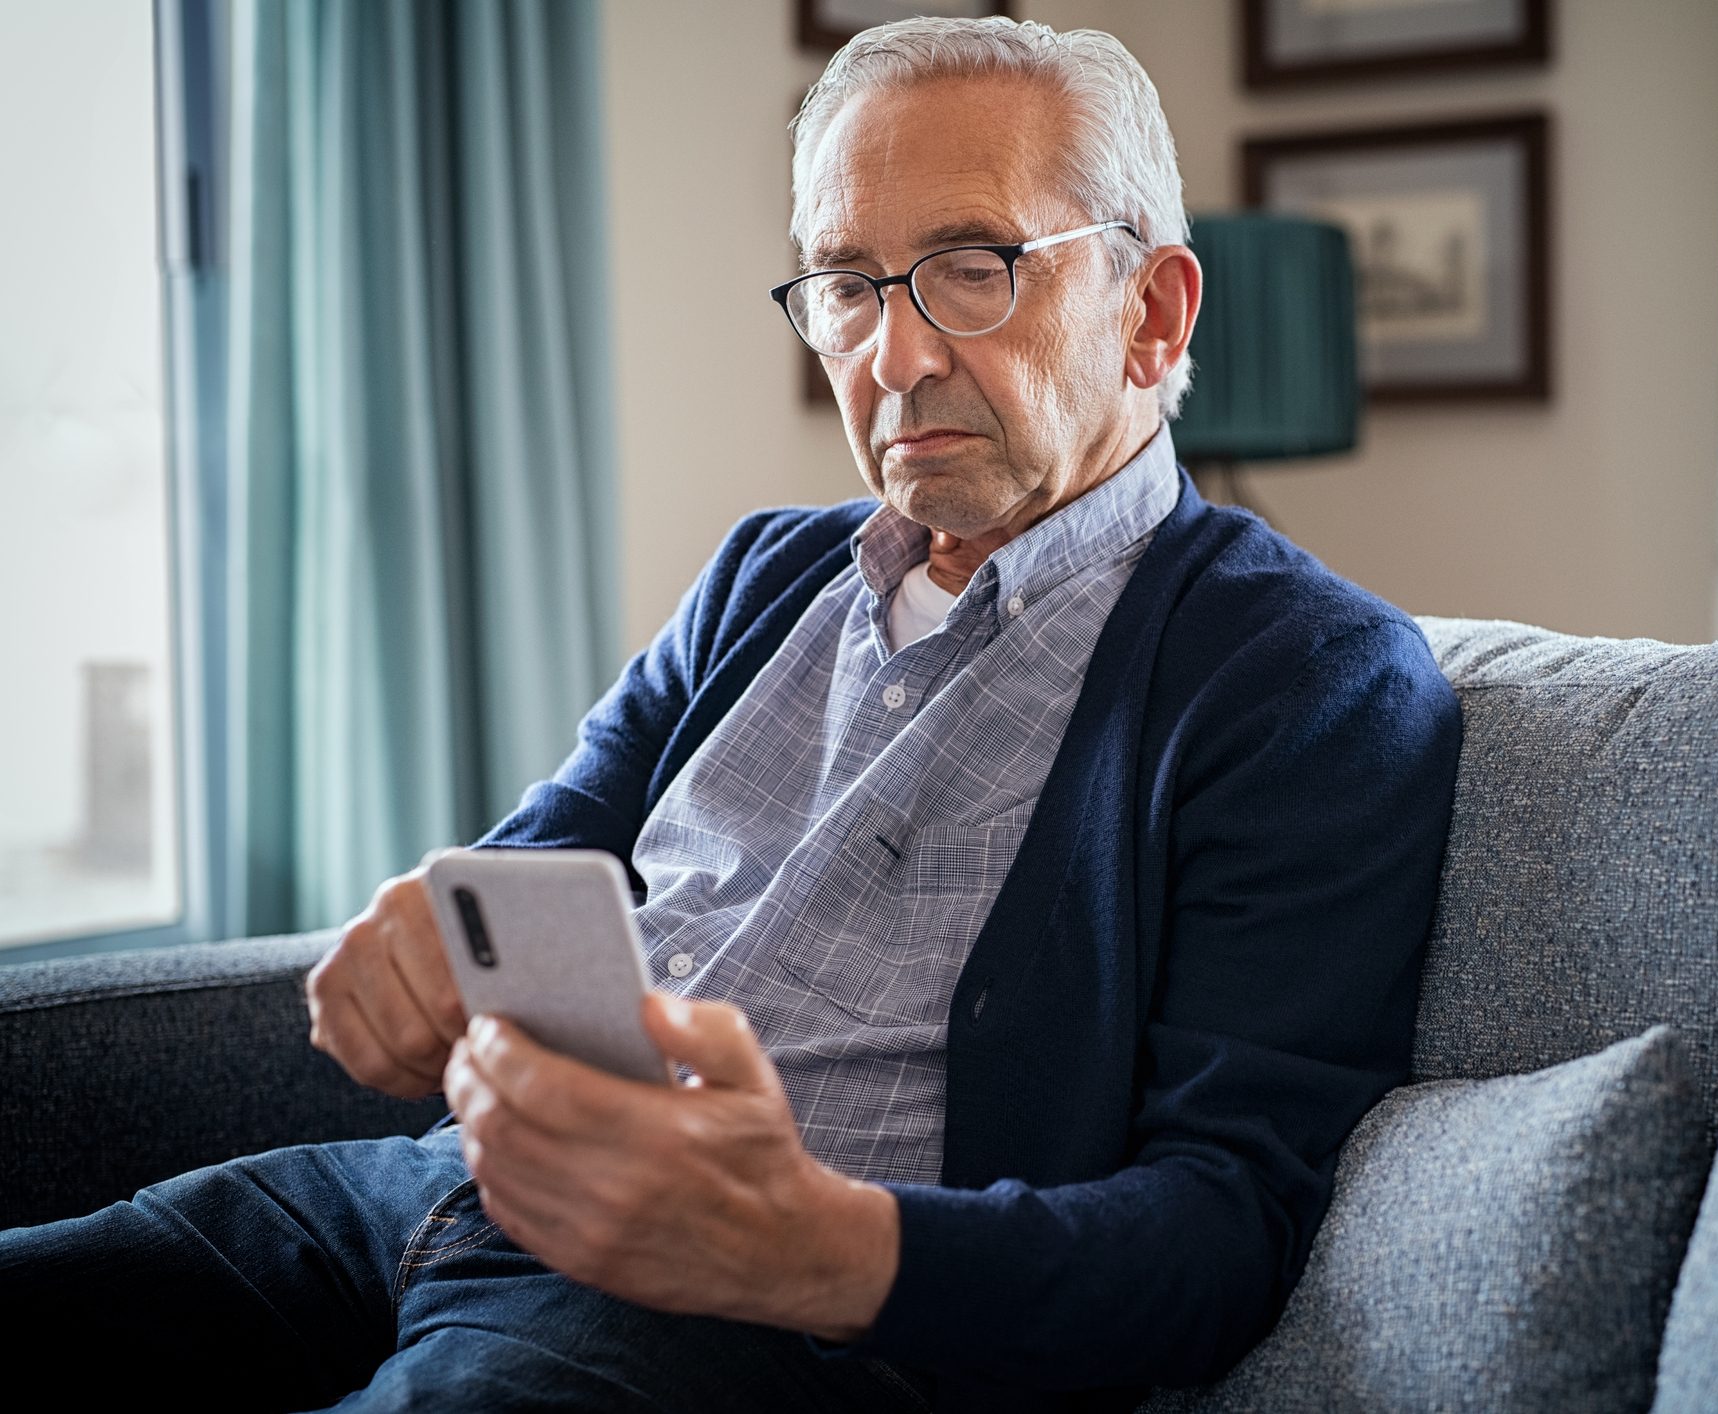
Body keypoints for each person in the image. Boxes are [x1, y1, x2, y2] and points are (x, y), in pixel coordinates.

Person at [0, 17, 1460, 1413]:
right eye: (846, 283)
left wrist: (808, 1243)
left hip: (761, 1330)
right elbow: (536, 866)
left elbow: (1221, 1228)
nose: (892, 358)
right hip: (433, 1191)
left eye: (969, 267)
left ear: (1149, 313)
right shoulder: (766, 572)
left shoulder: (1308, 681)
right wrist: (428, 942)